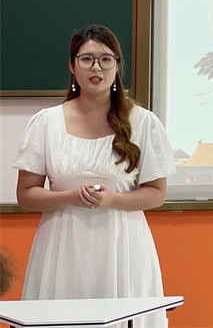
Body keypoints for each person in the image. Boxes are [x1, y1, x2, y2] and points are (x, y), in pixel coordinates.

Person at [13, 25, 175, 327]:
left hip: (123, 246)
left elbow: (156, 193)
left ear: (117, 66)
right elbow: (26, 194)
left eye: (105, 59)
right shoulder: (46, 122)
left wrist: (112, 200)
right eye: (86, 59)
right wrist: (70, 197)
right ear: (72, 66)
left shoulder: (143, 122)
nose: (96, 67)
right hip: (62, 246)